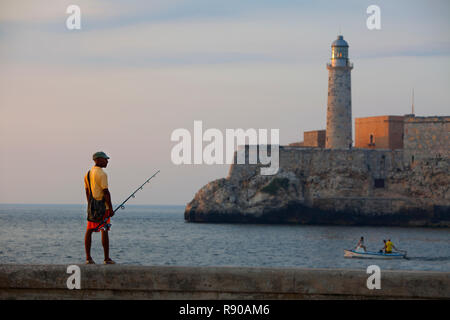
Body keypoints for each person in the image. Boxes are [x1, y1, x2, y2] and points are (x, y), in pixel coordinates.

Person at [84, 151, 115, 265]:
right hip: (103, 208)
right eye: (105, 159)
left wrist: (90, 205)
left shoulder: (88, 174)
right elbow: (106, 192)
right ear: (97, 160)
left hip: (92, 206)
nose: (107, 161)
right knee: (105, 230)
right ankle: (106, 258)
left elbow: (87, 191)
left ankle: (88, 258)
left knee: (89, 230)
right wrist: (111, 209)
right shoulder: (102, 174)